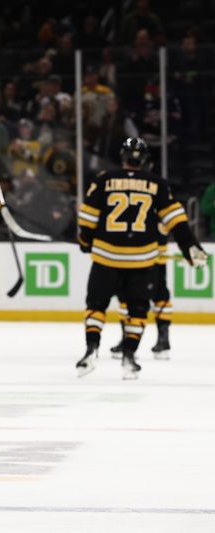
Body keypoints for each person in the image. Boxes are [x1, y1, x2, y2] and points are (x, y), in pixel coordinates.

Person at [76, 137, 207, 380]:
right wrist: (191, 249)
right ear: (145, 160)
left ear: (122, 156)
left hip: (106, 256)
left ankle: (90, 350)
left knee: (96, 306)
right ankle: (129, 357)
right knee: (137, 310)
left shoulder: (104, 179)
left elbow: (87, 217)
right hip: (142, 259)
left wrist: (85, 242)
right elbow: (176, 220)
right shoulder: (157, 183)